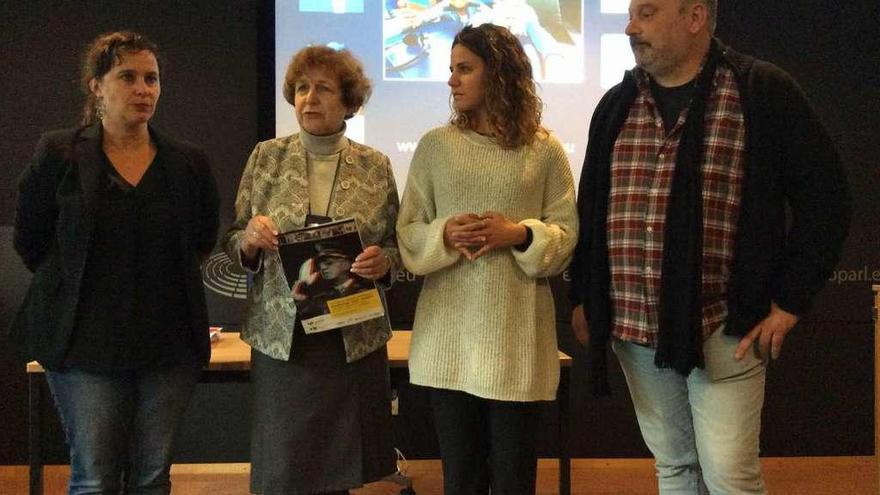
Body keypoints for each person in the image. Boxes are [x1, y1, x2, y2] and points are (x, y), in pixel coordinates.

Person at [568, 1, 850, 493]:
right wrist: (582, 297)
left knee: (729, 477)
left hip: (725, 326)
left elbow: (827, 199)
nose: (631, 27)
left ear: (695, 17)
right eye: (632, 14)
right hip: (635, 327)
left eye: (648, 13)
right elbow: (590, 211)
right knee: (675, 466)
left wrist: (789, 303)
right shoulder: (616, 104)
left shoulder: (759, 90)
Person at [10, 31, 220, 494]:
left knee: (151, 478)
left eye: (152, 78)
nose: (143, 89)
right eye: (128, 77)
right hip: (85, 346)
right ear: (96, 86)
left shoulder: (188, 163)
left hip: (168, 346)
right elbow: (31, 241)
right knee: (95, 478)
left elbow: (202, 241)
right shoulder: (59, 153)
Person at [396, 24, 578, 494]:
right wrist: (446, 233)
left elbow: (566, 237)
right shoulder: (435, 146)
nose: (452, 81)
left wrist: (518, 234)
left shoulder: (545, 150)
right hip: (448, 346)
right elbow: (409, 233)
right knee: (462, 482)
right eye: (451, 70)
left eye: (464, 69)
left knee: (515, 481)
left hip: (516, 346)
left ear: (498, 74)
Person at [221, 45, 400, 495]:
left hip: (350, 336)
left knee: (340, 469)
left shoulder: (375, 165)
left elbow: (396, 246)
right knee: (284, 468)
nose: (309, 98)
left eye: (323, 89)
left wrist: (385, 262)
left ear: (348, 101)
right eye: (302, 88)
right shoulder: (266, 156)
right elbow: (234, 238)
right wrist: (248, 241)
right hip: (284, 338)